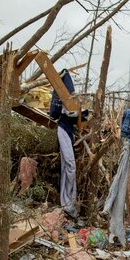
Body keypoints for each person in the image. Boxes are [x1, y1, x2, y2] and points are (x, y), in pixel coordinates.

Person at [49, 71, 79, 218]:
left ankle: (69, 201)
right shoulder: (59, 97)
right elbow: (54, 114)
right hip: (63, 129)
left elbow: (77, 115)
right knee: (69, 166)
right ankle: (66, 202)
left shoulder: (70, 99)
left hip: (69, 132)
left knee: (69, 167)